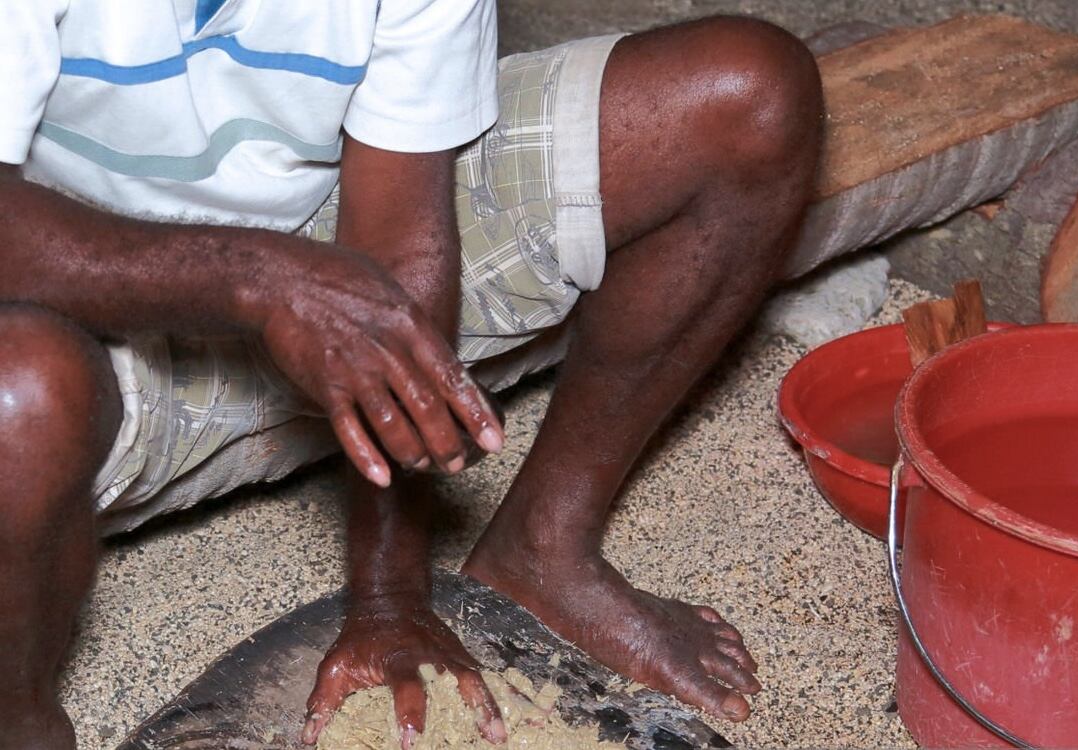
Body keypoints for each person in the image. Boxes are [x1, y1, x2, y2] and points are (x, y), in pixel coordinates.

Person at [0, 0, 823, 746]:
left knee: (749, 98)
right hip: (67, 273)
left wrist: (391, 600)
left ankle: (543, 551)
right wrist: (262, 283)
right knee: (16, 398)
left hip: (315, 224)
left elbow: (404, 252)